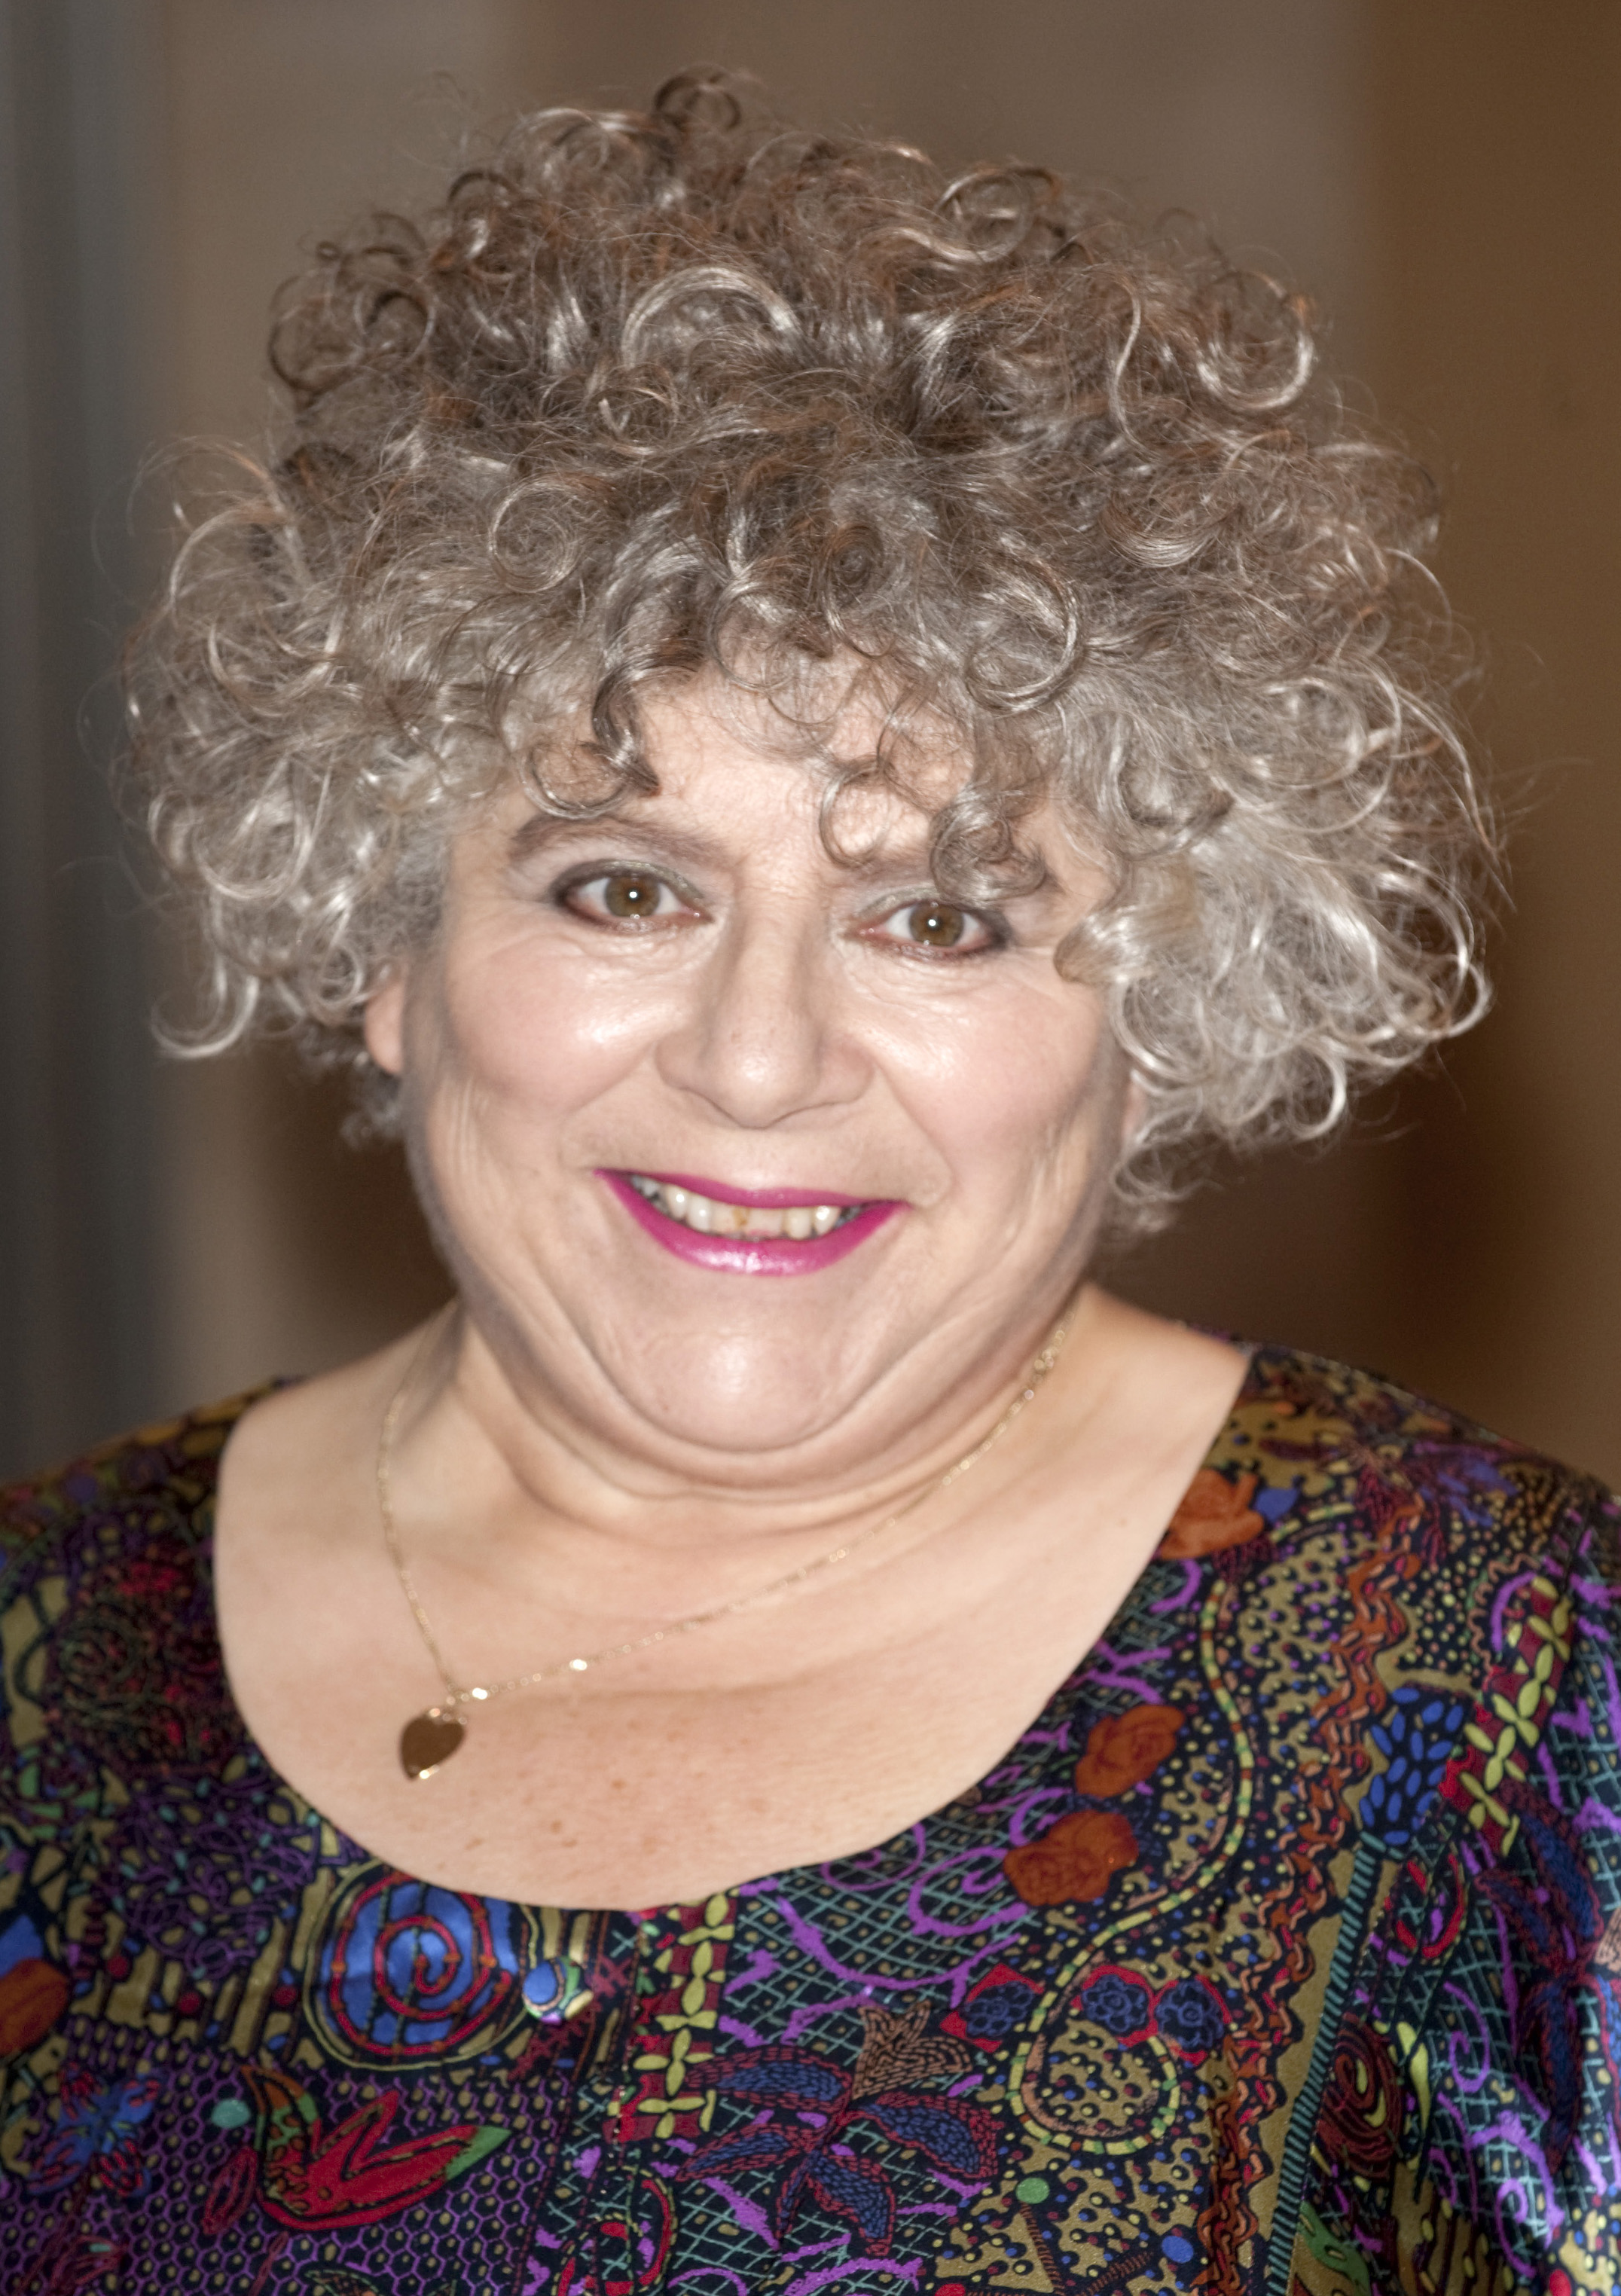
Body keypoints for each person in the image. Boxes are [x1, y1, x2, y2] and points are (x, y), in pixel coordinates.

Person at [2, 69, 1616, 2296]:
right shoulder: (40, 1649)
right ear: (389, 949)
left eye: (936, 915)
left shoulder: (1507, 1698)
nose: (756, 1057)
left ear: (1156, 1013)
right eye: (618, 888)